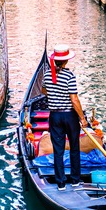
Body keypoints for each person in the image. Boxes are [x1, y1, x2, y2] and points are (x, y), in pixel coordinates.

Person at [42, 44, 88, 190]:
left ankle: (61, 183)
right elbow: (74, 99)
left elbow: (44, 91)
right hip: (69, 116)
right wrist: (82, 118)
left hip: (55, 116)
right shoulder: (69, 76)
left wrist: (55, 93)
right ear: (66, 61)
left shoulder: (47, 74)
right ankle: (75, 180)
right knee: (74, 147)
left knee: (58, 150)